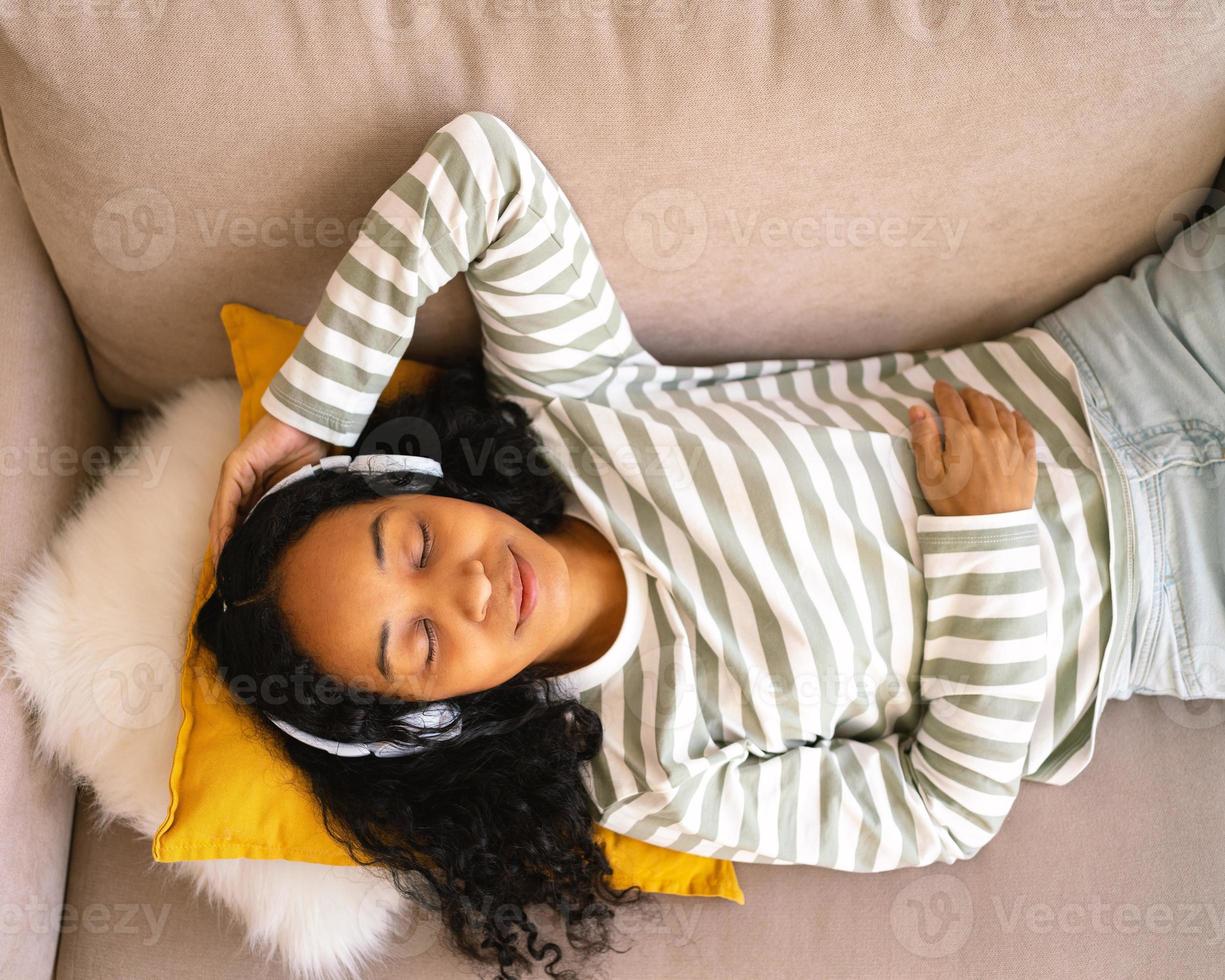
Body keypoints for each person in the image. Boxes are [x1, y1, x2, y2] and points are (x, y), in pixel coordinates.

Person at [200, 111, 1225, 977]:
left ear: (420, 481)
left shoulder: (571, 413)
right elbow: (939, 808)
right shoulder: (648, 773)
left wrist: (312, 407)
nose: (464, 587)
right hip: (1168, 599)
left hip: (1124, 358)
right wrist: (985, 534)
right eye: (416, 644)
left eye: (413, 542)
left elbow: (482, 170)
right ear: (434, 724)